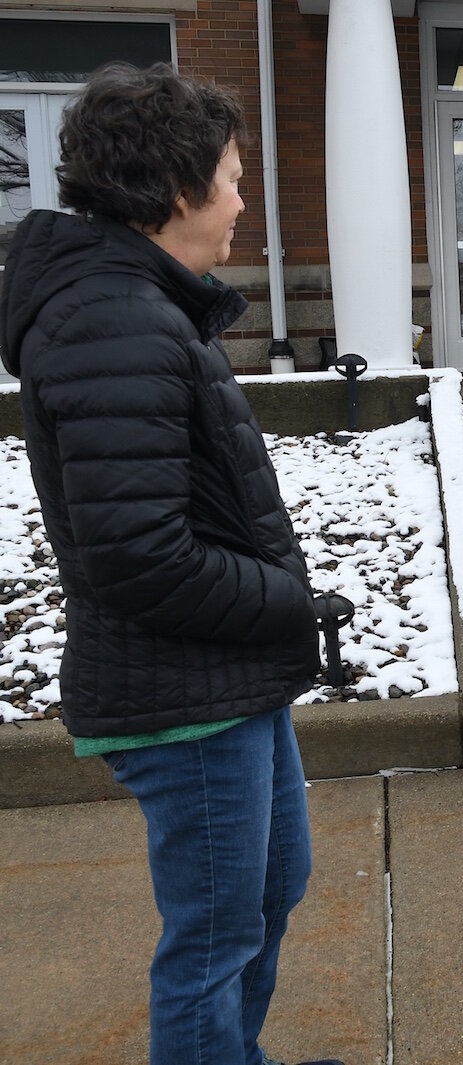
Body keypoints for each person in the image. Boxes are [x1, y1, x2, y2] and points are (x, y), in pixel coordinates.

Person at [0, 64, 340, 1065]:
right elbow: (140, 559)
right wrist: (289, 604)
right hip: (182, 696)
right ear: (181, 191)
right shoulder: (113, 321)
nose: (243, 201)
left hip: (225, 676)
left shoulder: (141, 305)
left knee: (272, 890)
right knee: (212, 940)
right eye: (234, 179)